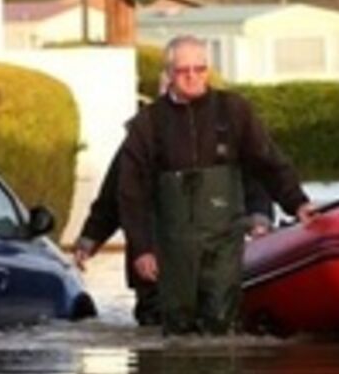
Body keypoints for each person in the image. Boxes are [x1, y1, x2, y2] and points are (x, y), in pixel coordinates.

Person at [117, 34, 315, 336]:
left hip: (224, 237)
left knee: (222, 319)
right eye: (184, 71)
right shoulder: (148, 123)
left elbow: (268, 161)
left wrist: (297, 202)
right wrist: (142, 249)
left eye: (201, 69)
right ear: (169, 74)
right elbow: (131, 193)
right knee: (178, 326)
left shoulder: (234, 110)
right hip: (172, 245)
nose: (193, 77)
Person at [72, 140, 274, 326]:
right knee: (161, 323)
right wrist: (90, 240)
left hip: (214, 258)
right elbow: (113, 197)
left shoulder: (230, 135)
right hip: (154, 262)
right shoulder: (141, 140)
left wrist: (260, 219)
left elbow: (255, 185)